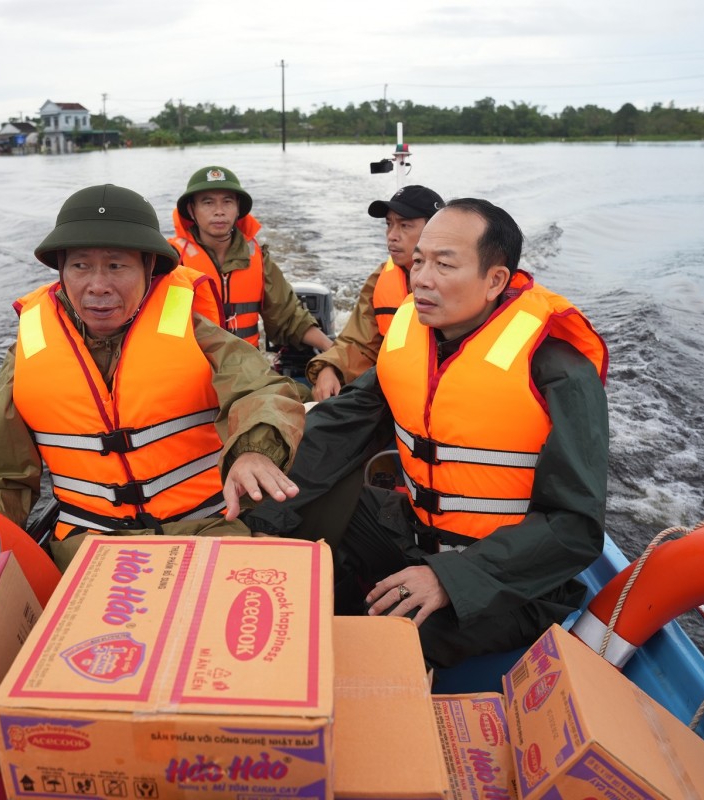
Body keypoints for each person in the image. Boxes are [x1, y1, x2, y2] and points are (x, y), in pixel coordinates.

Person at [244, 198, 609, 667]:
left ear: (495, 280)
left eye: (444, 265)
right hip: (414, 535)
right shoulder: (413, 337)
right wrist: (262, 474)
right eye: (418, 262)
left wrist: (450, 578)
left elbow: (575, 527)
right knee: (300, 502)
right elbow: (340, 424)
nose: (421, 279)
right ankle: (325, 600)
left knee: (383, 647)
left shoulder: (557, 369)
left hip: (510, 580)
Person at [0, 184, 305, 570]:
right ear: (62, 271)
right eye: (80, 266)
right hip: (87, 547)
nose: (98, 286)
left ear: (148, 268)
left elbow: (261, 388)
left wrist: (254, 450)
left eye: (116, 266)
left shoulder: (195, 332)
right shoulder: (27, 352)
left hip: (205, 530)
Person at [169, 166, 333, 388]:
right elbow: (166, 331)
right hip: (194, 375)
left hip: (249, 373)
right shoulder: (173, 262)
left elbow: (288, 317)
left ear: (238, 209)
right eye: (208, 203)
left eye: (227, 202)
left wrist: (332, 351)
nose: (219, 211)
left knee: (303, 400)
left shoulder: (258, 259)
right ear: (191, 210)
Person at [307, 185, 444, 401]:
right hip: (394, 393)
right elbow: (360, 343)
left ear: (435, 231)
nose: (392, 236)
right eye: (389, 224)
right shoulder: (380, 279)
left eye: (405, 226)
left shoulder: (461, 282)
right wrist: (329, 368)